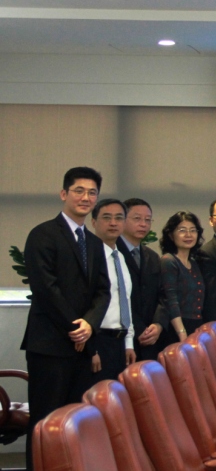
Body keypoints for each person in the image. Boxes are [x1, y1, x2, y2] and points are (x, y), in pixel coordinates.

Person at [21, 167, 111, 471]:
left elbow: (103, 291)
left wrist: (89, 325)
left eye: (92, 193)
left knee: (76, 423)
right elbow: (46, 289)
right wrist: (76, 327)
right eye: (79, 191)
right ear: (64, 194)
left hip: (82, 347)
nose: (86, 197)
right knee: (45, 423)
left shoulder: (94, 243)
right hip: (50, 345)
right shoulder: (43, 234)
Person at [89, 198, 136, 381]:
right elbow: (84, 304)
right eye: (106, 217)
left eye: (119, 218)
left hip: (119, 343)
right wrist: (91, 349)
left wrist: (129, 343)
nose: (113, 223)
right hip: (98, 340)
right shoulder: (90, 258)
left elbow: (125, 301)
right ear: (94, 222)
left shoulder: (120, 258)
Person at [120, 198, 168, 362]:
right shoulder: (112, 253)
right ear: (123, 219)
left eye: (148, 220)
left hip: (152, 337)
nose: (143, 224)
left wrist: (158, 324)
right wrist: (139, 328)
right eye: (137, 219)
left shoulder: (152, 256)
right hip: (123, 338)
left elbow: (163, 294)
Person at [159, 211, 207, 347]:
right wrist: (182, 333)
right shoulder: (169, 261)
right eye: (182, 230)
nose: (188, 235)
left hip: (196, 326)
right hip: (176, 328)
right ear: (171, 235)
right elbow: (171, 300)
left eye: (193, 230)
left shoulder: (194, 263)